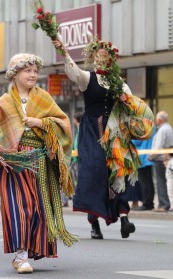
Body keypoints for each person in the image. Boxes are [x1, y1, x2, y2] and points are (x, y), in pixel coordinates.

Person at [0, 53, 76, 274]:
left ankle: (33, 249)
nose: (33, 74)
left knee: (38, 209)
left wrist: (40, 122)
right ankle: (21, 256)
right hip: (13, 162)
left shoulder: (43, 97)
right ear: (15, 74)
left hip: (40, 160)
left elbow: (63, 122)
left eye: (35, 71)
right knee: (20, 208)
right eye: (28, 71)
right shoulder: (2, 103)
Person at [52, 37, 154, 239]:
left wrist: (132, 114)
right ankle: (94, 223)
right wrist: (64, 52)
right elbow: (73, 71)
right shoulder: (88, 78)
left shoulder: (120, 84)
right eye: (98, 56)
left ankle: (124, 219)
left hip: (116, 131)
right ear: (93, 57)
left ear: (111, 60)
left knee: (119, 171)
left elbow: (133, 106)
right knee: (94, 173)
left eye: (106, 57)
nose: (102, 60)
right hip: (92, 131)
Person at [148, 111, 173, 212]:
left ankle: (163, 204)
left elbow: (158, 147)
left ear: (159, 119)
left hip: (161, 159)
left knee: (161, 182)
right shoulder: (169, 128)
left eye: (157, 119)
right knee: (167, 182)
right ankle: (167, 203)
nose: (155, 120)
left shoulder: (162, 130)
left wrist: (151, 156)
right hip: (166, 158)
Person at [132, 127, 156, 211]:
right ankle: (150, 203)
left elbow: (136, 142)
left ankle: (146, 204)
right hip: (149, 157)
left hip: (141, 158)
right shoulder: (152, 126)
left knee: (144, 183)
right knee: (149, 182)